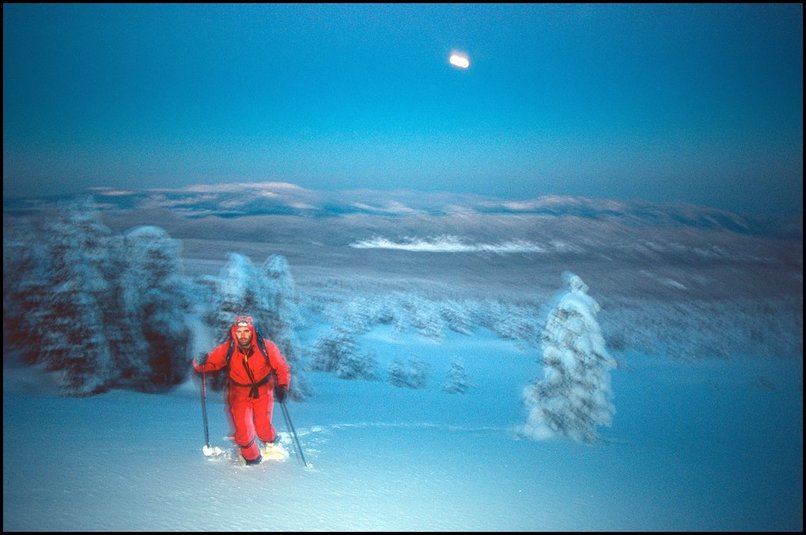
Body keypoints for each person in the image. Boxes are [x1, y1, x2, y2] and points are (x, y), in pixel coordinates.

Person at [193, 314, 291, 465]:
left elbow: (281, 367)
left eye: (246, 331)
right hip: (238, 393)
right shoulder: (228, 348)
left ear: (252, 331)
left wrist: (283, 386)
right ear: (234, 332)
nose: (243, 335)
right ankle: (251, 460)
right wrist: (200, 363)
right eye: (239, 332)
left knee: (262, 427)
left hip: (262, 390)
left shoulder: (266, 347)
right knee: (243, 431)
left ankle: (270, 443)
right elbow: (211, 362)